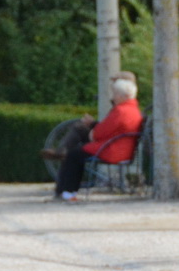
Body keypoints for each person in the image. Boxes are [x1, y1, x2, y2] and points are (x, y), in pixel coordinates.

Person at [52, 72, 143, 201]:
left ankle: (67, 191)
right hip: (120, 149)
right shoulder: (133, 110)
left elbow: (100, 133)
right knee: (76, 153)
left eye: (116, 94)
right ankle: (65, 191)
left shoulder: (121, 111)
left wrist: (93, 130)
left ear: (123, 96)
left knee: (73, 155)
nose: (113, 97)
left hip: (111, 150)